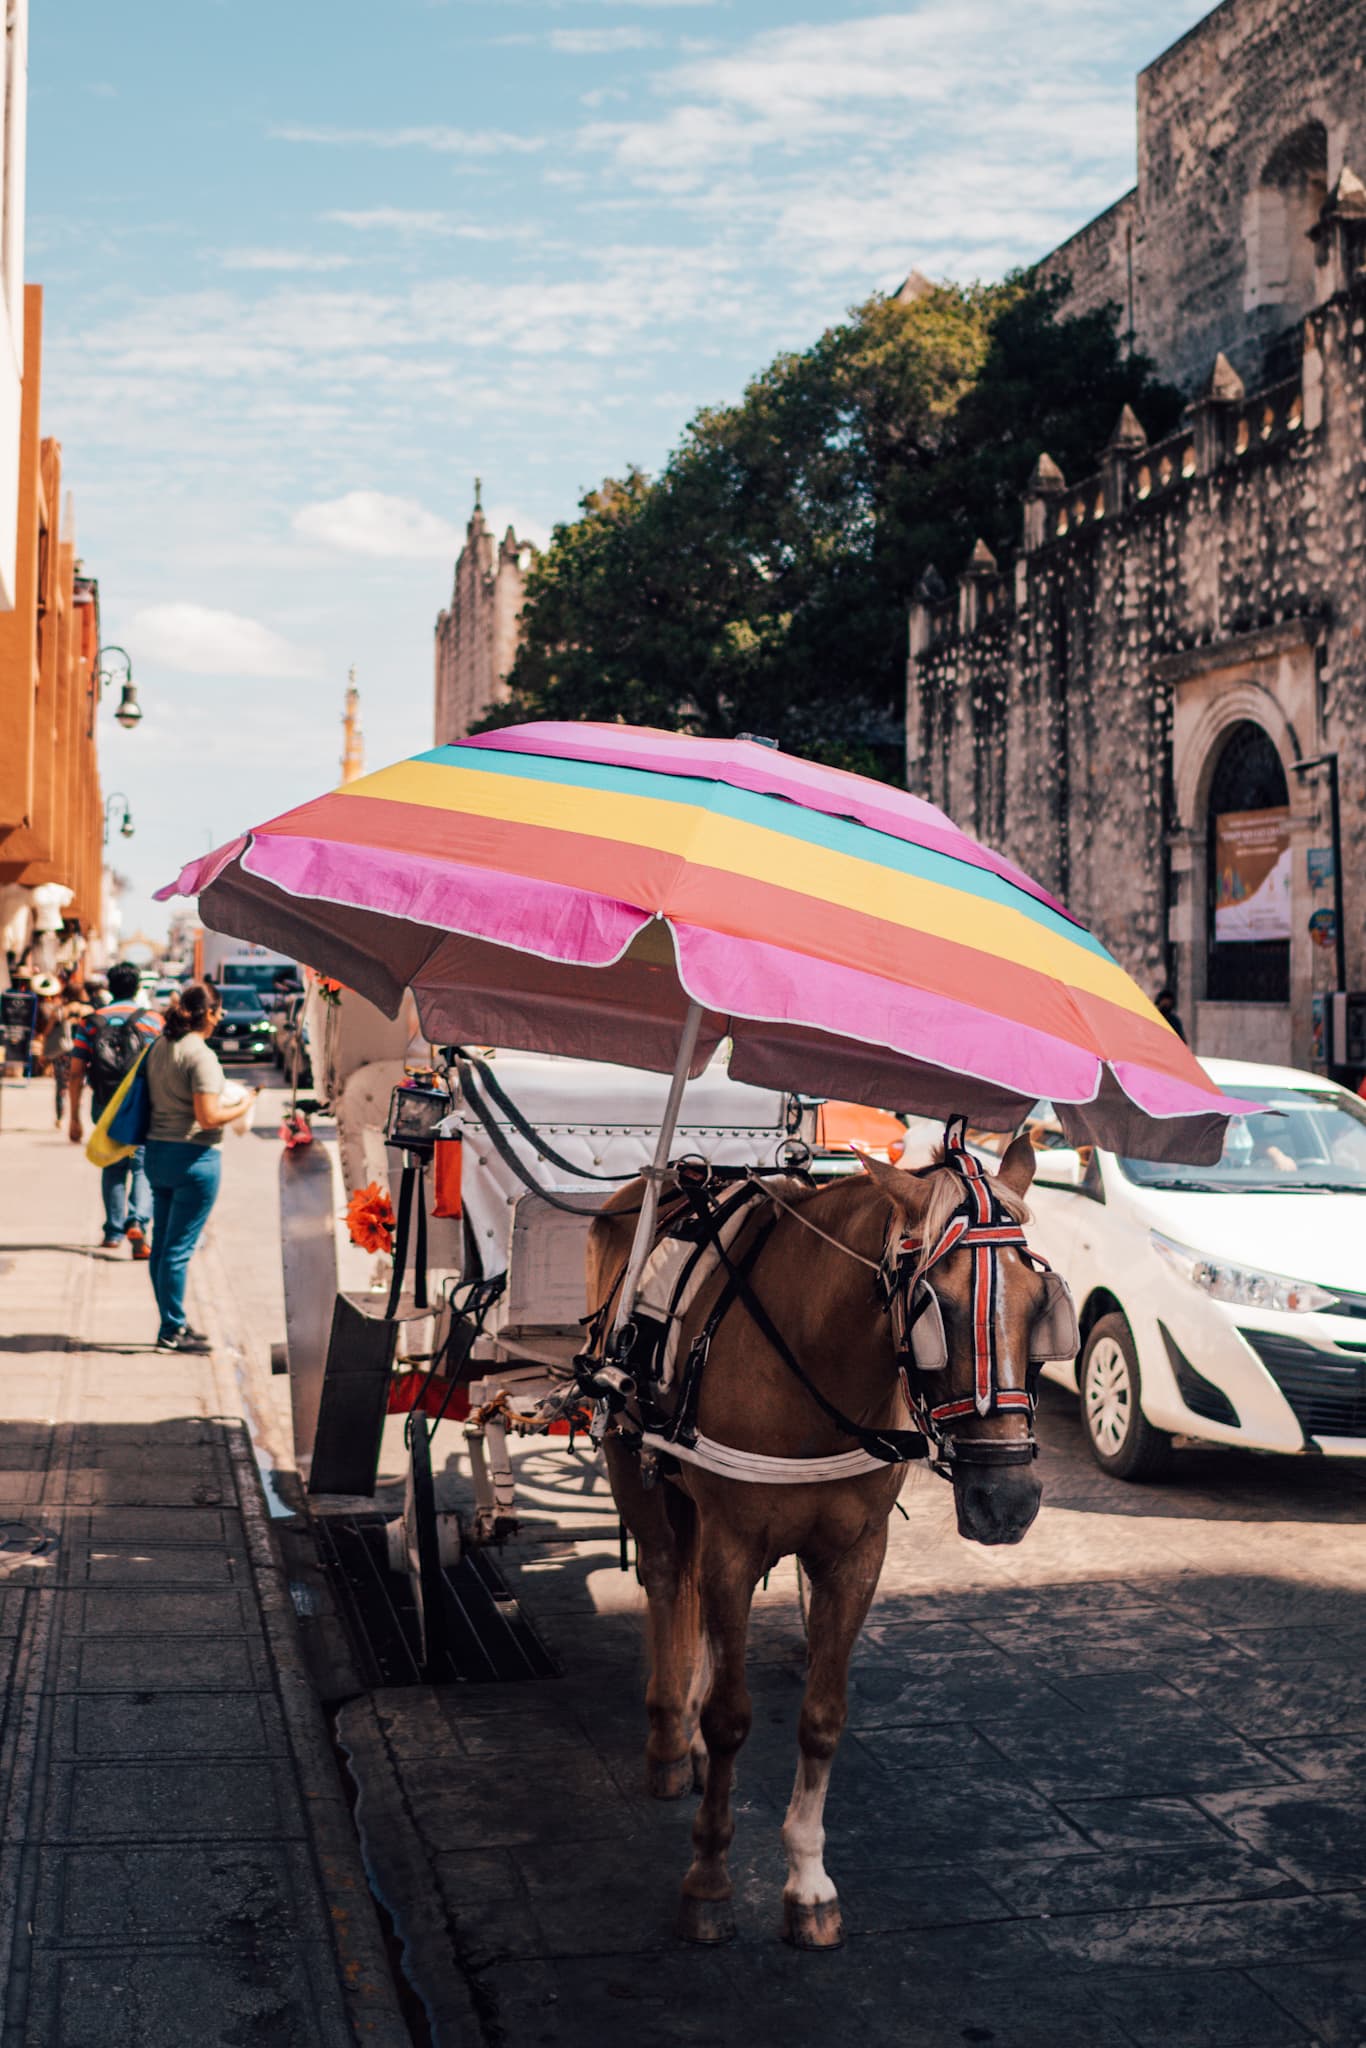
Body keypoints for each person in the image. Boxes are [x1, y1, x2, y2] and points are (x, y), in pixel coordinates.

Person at [142, 982, 255, 1352]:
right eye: (219, 1011)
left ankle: (170, 1323)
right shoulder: (200, 1055)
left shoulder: (161, 1045)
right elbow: (208, 1117)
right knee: (177, 1249)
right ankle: (172, 1329)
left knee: (162, 1246)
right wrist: (246, 1104)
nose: (221, 1018)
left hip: (157, 1153)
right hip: (193, 1157)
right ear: (208, 1013)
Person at [68, 960, 162, 1255]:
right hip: (141, 1104)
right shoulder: (153, 1021)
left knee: (112, 1164)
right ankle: (138, 1222)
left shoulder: (90, 1022)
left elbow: (75, 1072)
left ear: (109, 987)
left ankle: (113, 1231)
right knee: (143, 1165)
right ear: (137, 988)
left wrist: (74, 1117)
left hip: (104, 1103)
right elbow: (160, 1067)